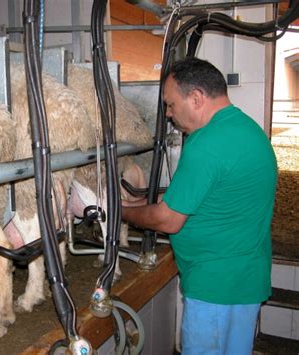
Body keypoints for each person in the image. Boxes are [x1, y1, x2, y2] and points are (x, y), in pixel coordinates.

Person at [122, 57, 277, 354]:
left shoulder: (206, 144)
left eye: (170, 104)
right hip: (246, 280)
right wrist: (138, 200)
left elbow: (169, 219)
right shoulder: (248, 131)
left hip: (214, 287)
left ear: (196, 98)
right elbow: (199, 197)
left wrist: (121, 212)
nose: (168, 114)